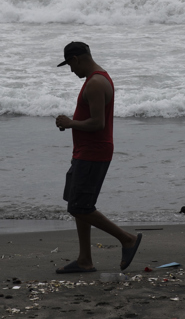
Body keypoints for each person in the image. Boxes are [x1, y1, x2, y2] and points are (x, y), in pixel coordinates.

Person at [53, 41, 141, 273]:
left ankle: (127, 239)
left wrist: (70, 123)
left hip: (94, 153)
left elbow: (98, 123)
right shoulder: (98, 79)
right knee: (78, 203)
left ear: (75, 59)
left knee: (80, 206)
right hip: (84, 152)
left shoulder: (95, 83)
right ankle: (85, 259)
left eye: (70, 66)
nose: (72, 71)